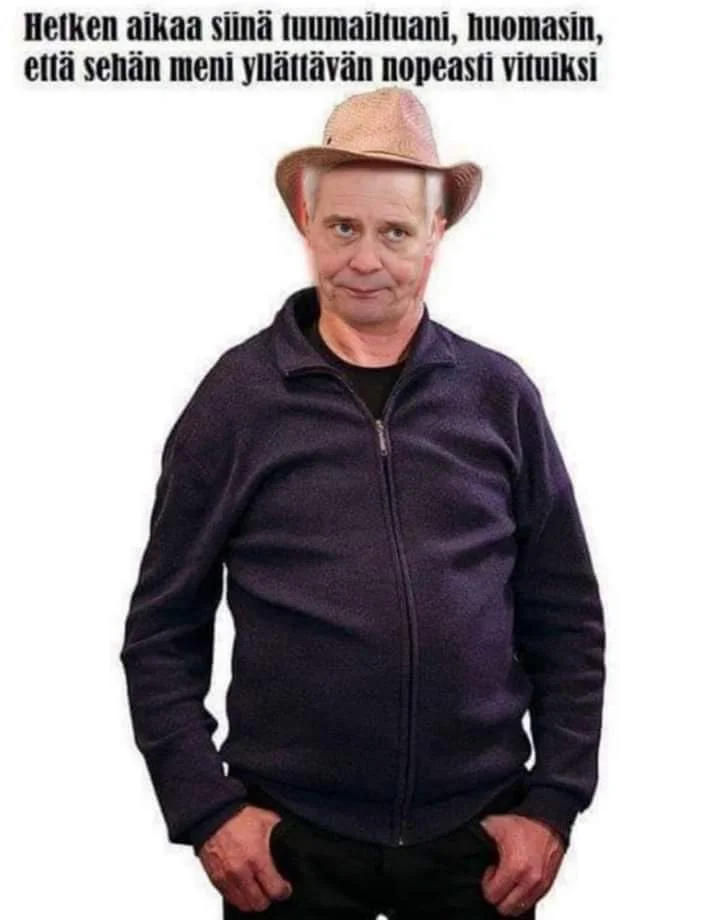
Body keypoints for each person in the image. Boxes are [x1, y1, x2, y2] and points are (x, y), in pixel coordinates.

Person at [119, 86, 606, 919]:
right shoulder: (235, 401)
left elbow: (567, 619)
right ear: (305, 220)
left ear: (437, 233)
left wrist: (553, 805)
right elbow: (161, 631)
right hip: (288, 847)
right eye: (343, 227)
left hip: (479, 843)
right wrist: (207, 810)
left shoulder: (499, 396)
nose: (367, 260)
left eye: (396, 232)